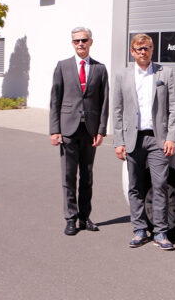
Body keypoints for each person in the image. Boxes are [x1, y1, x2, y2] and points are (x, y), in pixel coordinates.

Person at [113, 33, 175, 251]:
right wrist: (118, 141)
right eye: (139, 49)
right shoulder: (122, 75)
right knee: (135, 186)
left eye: (147, 48)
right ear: (132, 51)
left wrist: (171, 137)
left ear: (152, 50)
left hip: (157, 139)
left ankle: (160, 232)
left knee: (159, 185)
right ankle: (139, 229)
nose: (143, 52)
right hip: (132, 139)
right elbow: (118, 111)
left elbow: (172, 109)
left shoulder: (165, 73)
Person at [49, 27, 109, 236]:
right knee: (68, 176)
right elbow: (55, 99)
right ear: (72, 43)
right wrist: (54, 130)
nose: (80, 44)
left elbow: (104, 102)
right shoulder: (63, 66)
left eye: (84, 40)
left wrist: (101, 130)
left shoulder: (100, 69)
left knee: (87, 176)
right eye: (76, 41)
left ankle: (85, 217)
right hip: (68, 129)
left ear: (91, 42)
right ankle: (70, 218)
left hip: (89, 130)